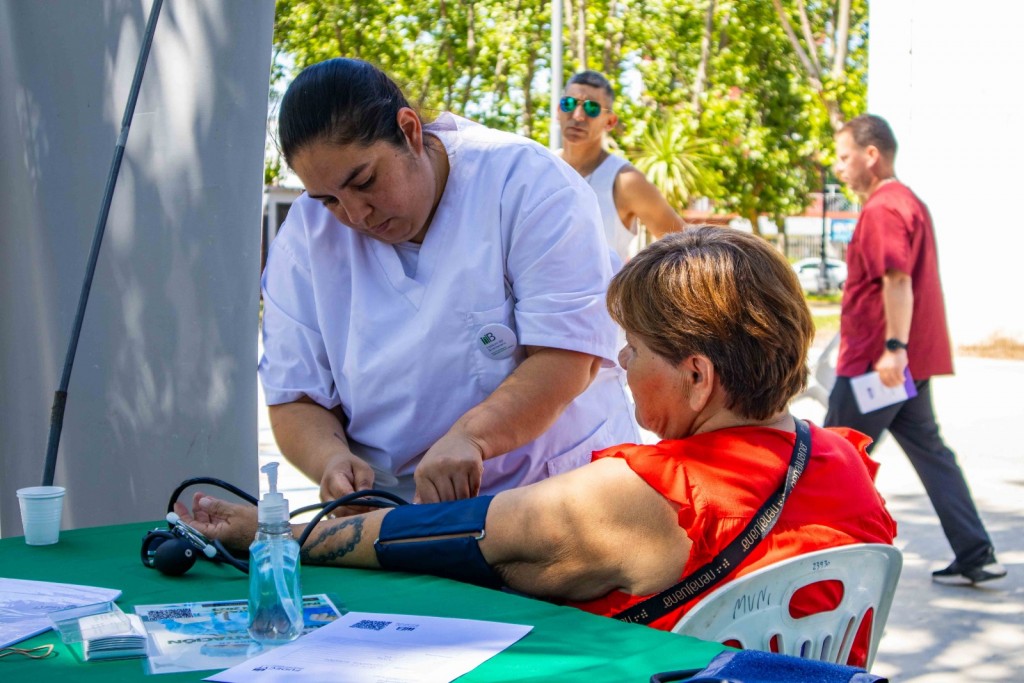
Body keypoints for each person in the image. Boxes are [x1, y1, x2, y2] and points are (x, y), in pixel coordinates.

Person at [180, 228, 896, 663]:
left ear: (698, 377)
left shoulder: (649, 497)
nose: (620, 366)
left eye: (634, 351)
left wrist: (268, 529)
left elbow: (437, 532)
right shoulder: (842, 460)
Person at [261, 58, 638, 506]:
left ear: (409, 130)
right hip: (397, 512)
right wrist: (330, 461)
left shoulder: (527, 183)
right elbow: (296, 395)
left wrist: (472, 437)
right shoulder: (304, 237)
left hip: (552, 490)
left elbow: (567, 357)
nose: (355, 215)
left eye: (365, 181)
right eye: (328, 200)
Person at [826, 114, 1005, 585]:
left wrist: (893, 348)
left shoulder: (885, 207)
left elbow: (897, 279)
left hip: (877, 365)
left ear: (872, 155)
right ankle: (976, 551)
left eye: (844, 157)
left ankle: (814, 565)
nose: (839, 167)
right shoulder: (908, 202)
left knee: (831, 460)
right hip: (898, 367)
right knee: (931, 453)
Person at [557, 71, 686, 266]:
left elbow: (685, 246)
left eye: (591, 108)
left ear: (610, 121)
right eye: (569, 103)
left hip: (603, 296)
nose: (578, 115)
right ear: (558, 110)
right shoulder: (542, 167)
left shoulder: (625, 181)